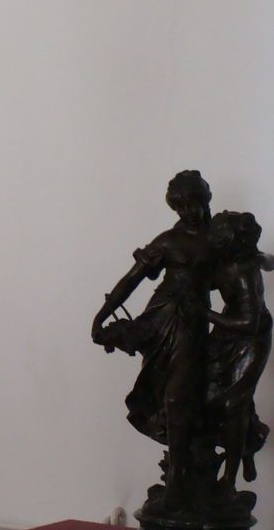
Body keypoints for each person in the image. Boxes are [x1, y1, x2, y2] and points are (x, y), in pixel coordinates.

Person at [91, 171, 214, 509]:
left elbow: (249, 262)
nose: (187, 213)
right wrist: (102, 315)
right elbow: (131, 280)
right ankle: (177, 475)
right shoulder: (169, 241)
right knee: (163, 393)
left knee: (178, 395)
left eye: (191, 205)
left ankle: (179, 480)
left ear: (204, 199)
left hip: (193, 322)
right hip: (160, 319)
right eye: (180, 208)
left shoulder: (220, 237)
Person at [204, 211, 272, 495]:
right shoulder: (223, 260)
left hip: (251, 339)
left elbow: (249, 323)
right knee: (208, 392)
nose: (212, 236)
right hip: (226, 333)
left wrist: (205, 314)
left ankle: (230, 477)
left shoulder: (244, 272)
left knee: (235, 404)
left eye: (218, 232)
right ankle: (247, 444)